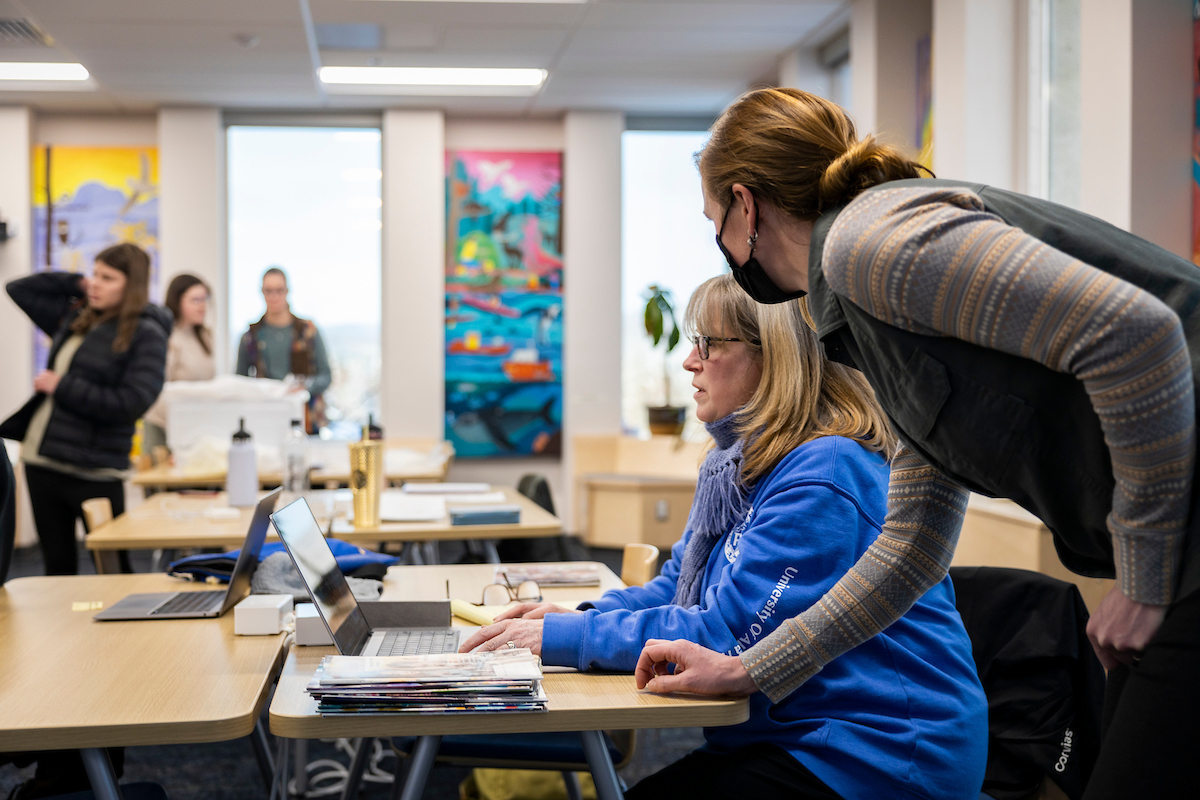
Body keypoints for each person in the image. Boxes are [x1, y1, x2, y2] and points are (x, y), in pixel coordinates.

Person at [631, 87, 1200, 800]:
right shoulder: (866, 317)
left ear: (747, 207)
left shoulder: (874, 246)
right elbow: (912, 549)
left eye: (715, 220)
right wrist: (751, 671)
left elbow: (1138, 335)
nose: (718, 242)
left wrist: (1145, 580)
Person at [461, 274, 988, 800]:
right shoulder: (735, 464)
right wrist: (577, 618)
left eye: (709, 344)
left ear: (775, 355)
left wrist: (562, 640)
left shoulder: (825, 472)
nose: (690, 361)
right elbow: (676, 587)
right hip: (796, 734)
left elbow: (728, 635)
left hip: (877, 754)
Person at [0, 243, 170, 575]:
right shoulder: (78, 318)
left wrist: (62, 386)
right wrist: (77, 281)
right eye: (95, 273)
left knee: (113, 572)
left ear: (131, 284)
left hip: (95, 470)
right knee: (57, 571)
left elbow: (131, 404)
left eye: (108, 277)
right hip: (42, 461)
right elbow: (18, 288)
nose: (96, 283)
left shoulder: (147, 334)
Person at [235, 267, 331, 433]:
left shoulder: (308, 331)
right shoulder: (251, 337)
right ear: (262, 292)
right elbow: (240, 383)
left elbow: (326, 376)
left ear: (287, 291)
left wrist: (304, 387)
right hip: (266, 419)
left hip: (306, 419)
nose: (274, 297)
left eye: (279, 290)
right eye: (269, 291)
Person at [143, 273, 217, 452]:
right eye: (196, 300)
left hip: (194, 427)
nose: (203, 307)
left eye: (205, 299)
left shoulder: (204, 336)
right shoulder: (165, 337)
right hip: (164, 425)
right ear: (178, 301)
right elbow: (157, 390)